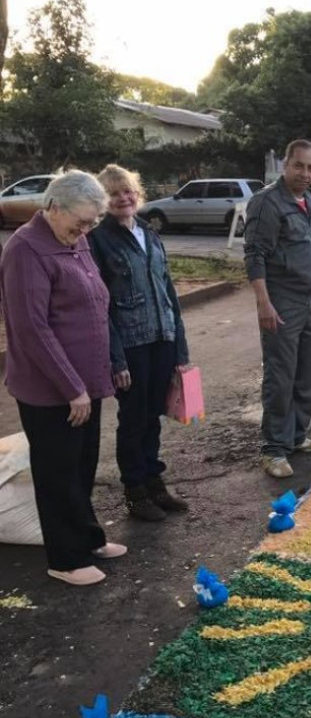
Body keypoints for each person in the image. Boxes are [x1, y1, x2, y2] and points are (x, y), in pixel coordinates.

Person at [0, 171, 126, 585]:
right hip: (52, 391)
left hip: (86, 385)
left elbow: (94, 304)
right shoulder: (25, 250)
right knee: (57, 472)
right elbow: (33, 329)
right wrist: (72, 387)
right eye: (82, 222)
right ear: (53, 207)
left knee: (82, 466)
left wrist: (103, 368)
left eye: (92, 223)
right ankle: (65, 559)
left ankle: (88, 539)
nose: (86, 231)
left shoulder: (74, 239)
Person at [90, 165, 190, 522]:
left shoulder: (149, 232)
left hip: (162, 337)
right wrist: (116, 360)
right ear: (103, 201)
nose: (123, 198)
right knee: (133, 419)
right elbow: (100, 306)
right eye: (114, 193)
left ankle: (154, 482)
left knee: (153, 416)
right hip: (130, 345)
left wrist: (180, 348)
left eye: (128, 191)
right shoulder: (98, 240)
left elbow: (168, 292)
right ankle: (135, 492)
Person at [244, 139, 311, 479]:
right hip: (282, 303)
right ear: (285, 165)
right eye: (299, 166)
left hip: (310, 301)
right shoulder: (267, 202)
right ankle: (273, 448)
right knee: (280, 376)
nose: (305, 173)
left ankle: (296, 436)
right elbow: (254, 255)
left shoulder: (309, 201)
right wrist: (264, 303)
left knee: (307, 374)